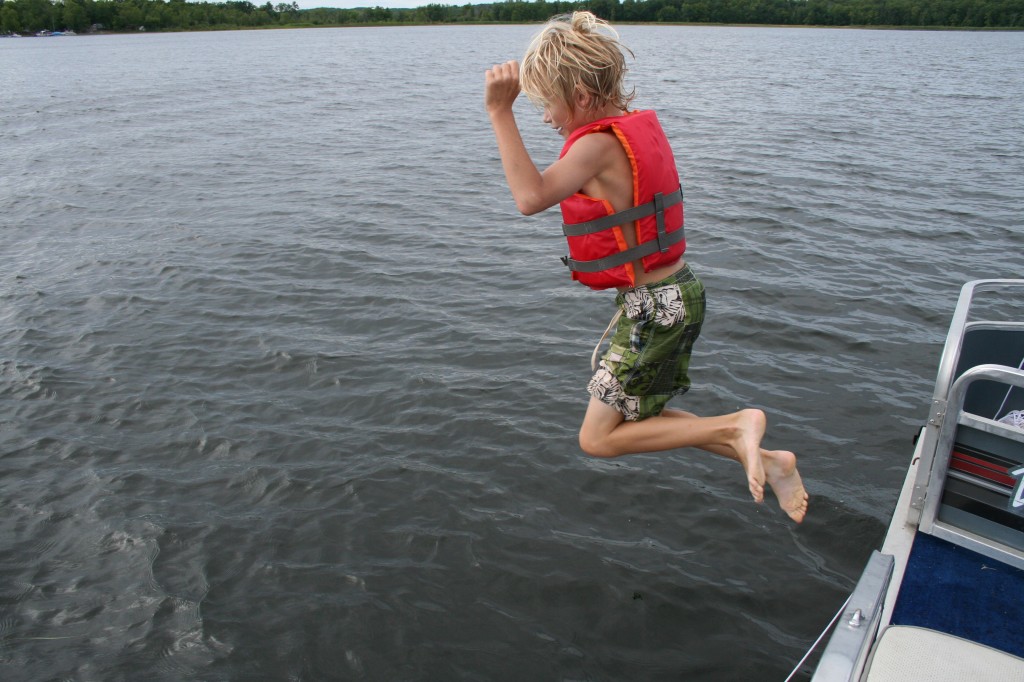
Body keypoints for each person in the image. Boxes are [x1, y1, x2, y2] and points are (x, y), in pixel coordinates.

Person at [484, 12, 807, 523]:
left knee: (596, 439)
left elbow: (530, 197)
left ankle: (742, 424)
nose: (546, 118)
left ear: (583, 98)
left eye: (548, 105)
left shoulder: (595, 144)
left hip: (657, 308)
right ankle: (771, 460)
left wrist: (500, 112)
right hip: (674, 296)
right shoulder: (628, 133)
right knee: (642, 418)